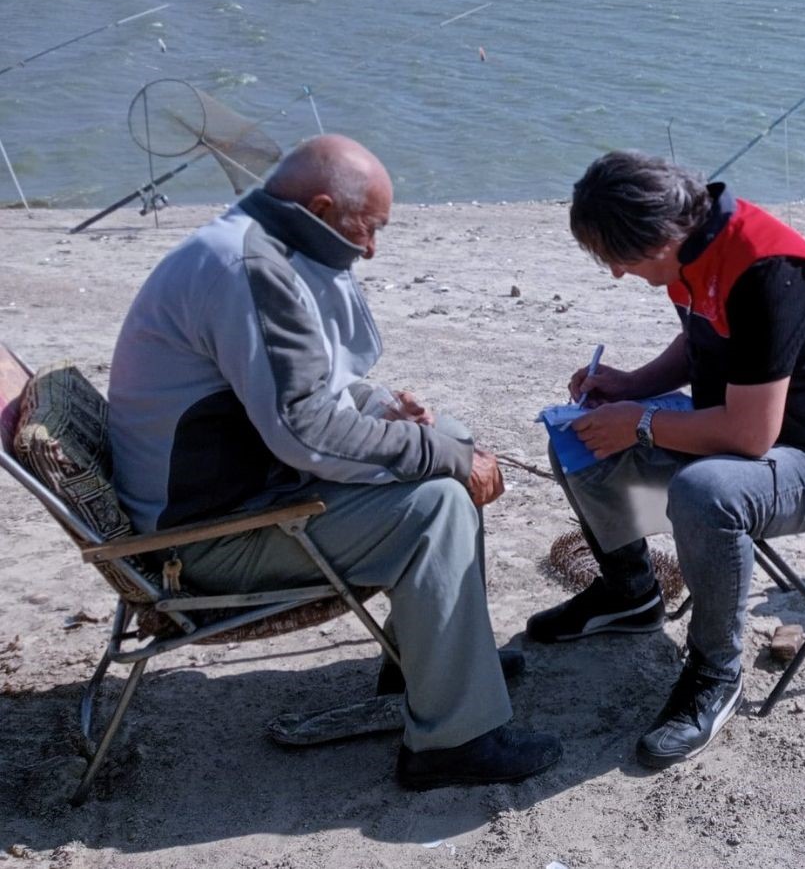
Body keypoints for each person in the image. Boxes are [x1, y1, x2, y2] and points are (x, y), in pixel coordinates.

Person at [108, 134, 561, 789]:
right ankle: (451, 745)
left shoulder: (253, 239)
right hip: (204, 542)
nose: (371, 249)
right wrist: (440, 455)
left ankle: (431, 666)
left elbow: (284, 386)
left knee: (450, 442)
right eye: (367, 230)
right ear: (321, 209)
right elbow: (305, 434)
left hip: (229, 495)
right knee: (438, 500)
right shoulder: (249, 270)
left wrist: (382, 407)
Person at [526, 151, 805, 769]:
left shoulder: (770, 268)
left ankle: (716, 671)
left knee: (707, 492)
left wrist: (643, 423)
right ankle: (629, 592)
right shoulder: (693, 247)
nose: (615, 275)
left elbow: (749, 438)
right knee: (577, 436)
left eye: (618, 260)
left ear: (659, 237)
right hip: (737, 437)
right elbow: (701, 341)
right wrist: (630, 386)